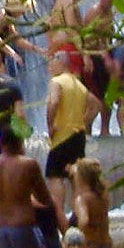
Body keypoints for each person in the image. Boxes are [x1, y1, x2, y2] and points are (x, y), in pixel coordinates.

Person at [43, 52, 93, 216]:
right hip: (79, 135)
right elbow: (96, 106)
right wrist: (83, 121)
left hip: (62, 135)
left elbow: (54, 101)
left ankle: (58, 213)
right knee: (75, 176)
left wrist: (50, 125)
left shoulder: (56, 82)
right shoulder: (80, 85)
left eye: (52, 61)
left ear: (60, 63)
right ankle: (80, 213)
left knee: (55, 176)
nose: (49, 66)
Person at [45, 0, 91, 79]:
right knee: (74, 85)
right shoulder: (68, 1)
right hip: (69, 50)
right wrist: (85, 54)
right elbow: (72, 28)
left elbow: (47, 24)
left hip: (58, 50)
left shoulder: (60, 0)